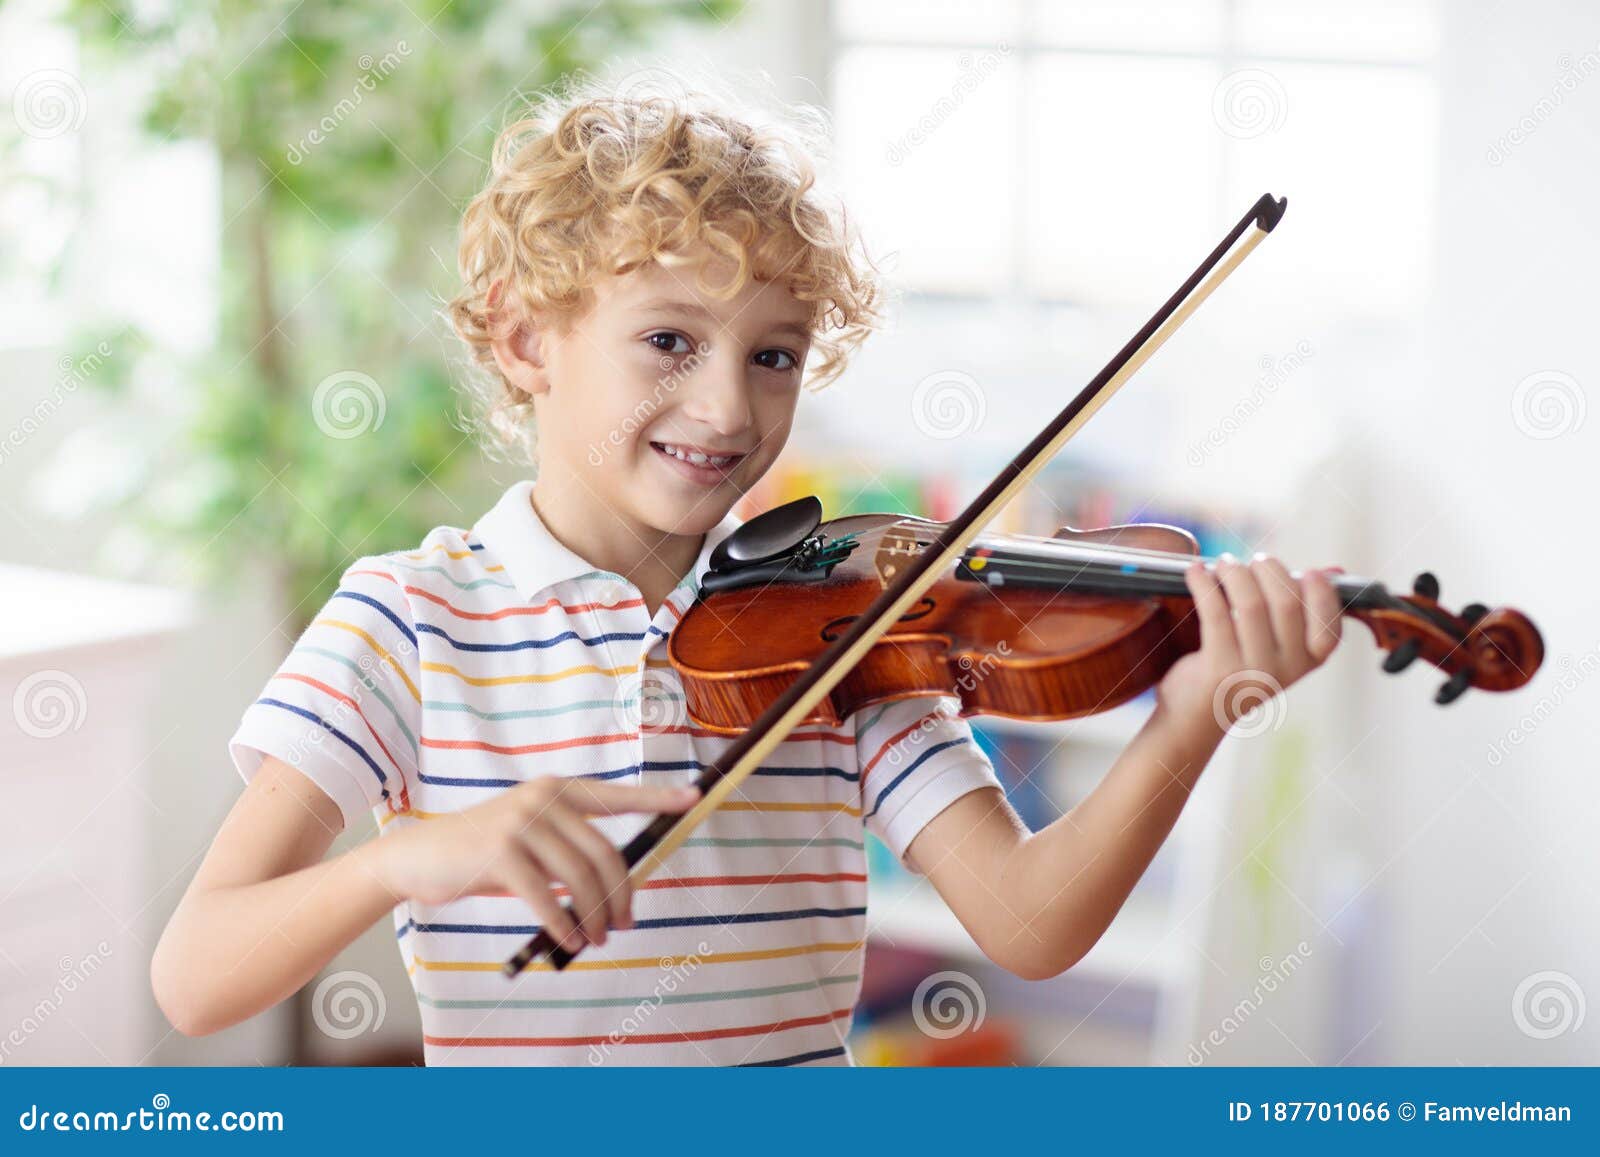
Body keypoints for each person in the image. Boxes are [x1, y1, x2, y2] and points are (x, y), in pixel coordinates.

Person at [151, 76, 1343, 1066]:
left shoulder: (845, 634)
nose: (728, 404)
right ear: (525, 338)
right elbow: (196, 975)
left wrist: (1188, 719)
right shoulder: (408, 622)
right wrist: (404, 856)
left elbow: (1028, 922)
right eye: (669, 339)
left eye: (773, 353)